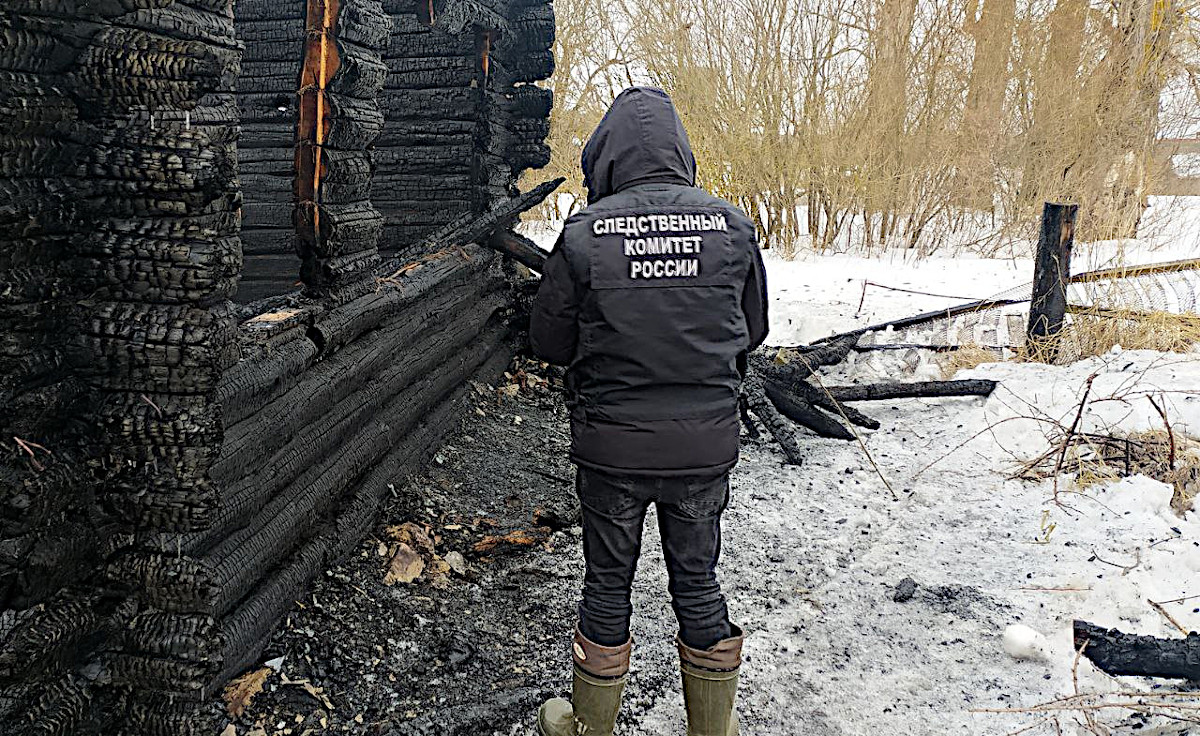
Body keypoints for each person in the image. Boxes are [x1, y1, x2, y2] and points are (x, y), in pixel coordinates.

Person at [528, 87, 769, 736]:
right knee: (698, 580)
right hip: (703, 450)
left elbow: (548, 342)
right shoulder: (733, 228)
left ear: (606, 158)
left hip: (614, 453)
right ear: (680, 153)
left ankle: (590, 726)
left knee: (608, 584)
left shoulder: (584, 236)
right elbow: (753, 331)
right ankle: (712, 729)